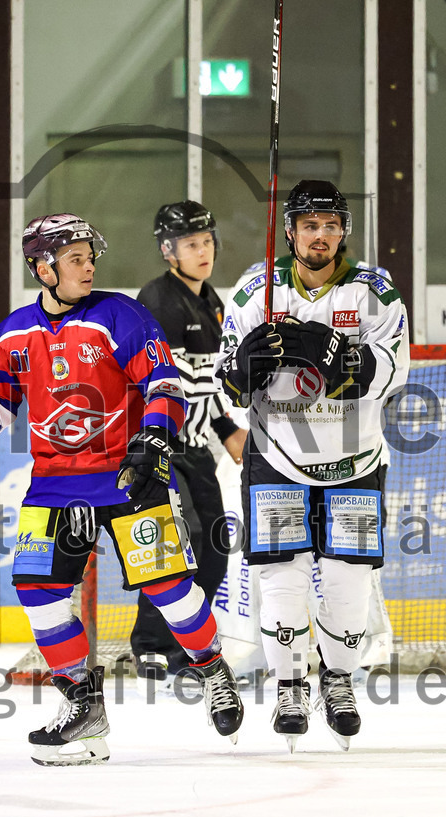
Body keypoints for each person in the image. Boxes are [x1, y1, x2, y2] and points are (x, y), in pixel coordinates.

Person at [0, 213, 244, 766]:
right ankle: (83, 708)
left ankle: (211, 665)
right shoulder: (13, 333)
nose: (89, 264)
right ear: (43, 268)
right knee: (37, 593)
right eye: (74, 257)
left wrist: (155, 438)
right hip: (53, 487)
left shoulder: (121, 315)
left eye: (89, 255)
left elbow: (164, 383)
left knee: (168, 588)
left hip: (126, 477)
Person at [215, 180, 409, 751]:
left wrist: (340, 354)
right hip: (277, 459)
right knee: (281, 580)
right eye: (309, 226)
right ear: (291, 231)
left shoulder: (376, 290)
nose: (320, 236)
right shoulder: (257, 291)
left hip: (355, 461)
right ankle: (289, 685)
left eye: (330, 226)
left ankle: (340, 679)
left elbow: (396, 371)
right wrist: (244, 366)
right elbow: (227, 384)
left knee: (348, 589)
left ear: (343, 230)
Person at [130, 201, 245, 686]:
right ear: (168, 251)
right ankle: (151, 644)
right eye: (191, 244)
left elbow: (207, 383)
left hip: (196, 446)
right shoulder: (159, 299)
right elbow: (156, 383)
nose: (204, 251)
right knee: (180, 539)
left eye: (207, 241)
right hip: (159, 443)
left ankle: (186, 646)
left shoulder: (210, 299)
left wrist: (226, 431)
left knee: (216, 543)